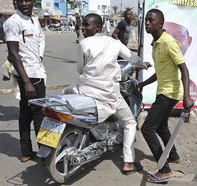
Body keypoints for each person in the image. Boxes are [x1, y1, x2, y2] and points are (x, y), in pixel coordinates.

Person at [63, 13, 148, 175]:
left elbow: (79, 69)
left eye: (86, 25)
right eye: (83, 24)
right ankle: (128, 162)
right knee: (130, 122)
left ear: (97, 27)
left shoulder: (84, 43)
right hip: (109, 94)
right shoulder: (113, 43)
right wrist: (144, 64)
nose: (82, 27)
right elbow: (132, 58)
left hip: (85, 91)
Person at [138, 9, 194, 183]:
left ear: (160, 24)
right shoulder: (156, 43)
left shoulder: (169, 42)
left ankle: (164, 170)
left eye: (151, 20)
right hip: (164, 90)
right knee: (161, 126)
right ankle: (174, 156)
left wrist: (187, 96)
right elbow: (160, 71)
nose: (147, 23)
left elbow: (183, 69)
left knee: (147, 129)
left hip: (169, 93)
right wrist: (142, 84)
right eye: (146, 20)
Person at [4, 0, 46, 162]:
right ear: (15, 1)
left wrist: (40, 56)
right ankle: (45, 153)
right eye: (20, 0)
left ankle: (26, 151)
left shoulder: (33, 20)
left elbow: (41, 39)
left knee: (26, 113)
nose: (24, 4)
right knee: (39, 113)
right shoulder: (13, 22)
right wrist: (27, 81)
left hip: (37, 71)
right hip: (28, 76)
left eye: (27, 0)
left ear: (32, 1)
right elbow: (13, 53)